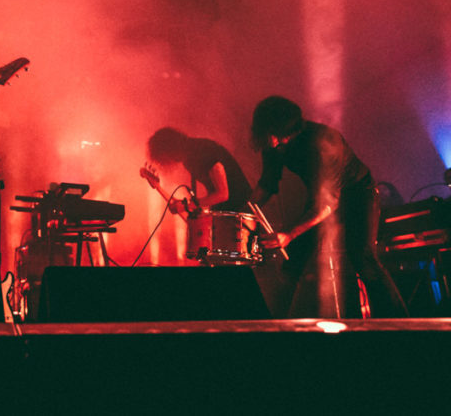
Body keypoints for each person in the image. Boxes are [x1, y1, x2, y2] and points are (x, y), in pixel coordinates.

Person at [250, 95, 406, 318]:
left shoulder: (321, 143)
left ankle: (399, 323)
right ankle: (272, 324)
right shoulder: (274, 146)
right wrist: (246, 210)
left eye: (269, 132)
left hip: (358, 194)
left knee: (363, 257)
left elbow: (328, 203)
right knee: (292, 260)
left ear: (281, 129)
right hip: (321, 198)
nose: (266, 139)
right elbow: (267, 183)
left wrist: (289, 234)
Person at [143, 126, 253, 219]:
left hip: (241, 213)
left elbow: (223, 194)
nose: (163, 163)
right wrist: (158, 187)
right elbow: (186, 206)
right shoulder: (189, 159)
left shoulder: (203, 150)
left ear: (168, 150)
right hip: (227, 214)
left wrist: (187, 206)